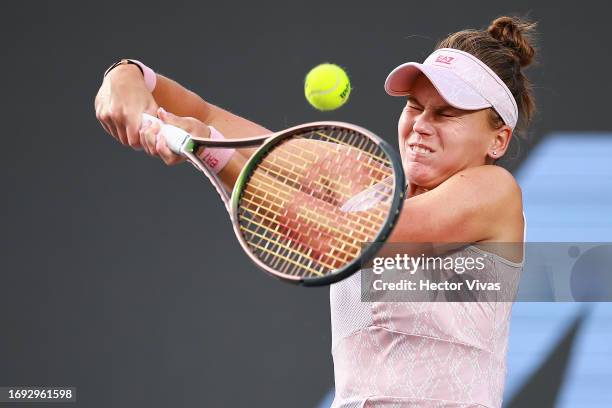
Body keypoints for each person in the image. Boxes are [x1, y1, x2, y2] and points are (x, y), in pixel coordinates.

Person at [95, 15, 537, 408]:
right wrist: (128, 77)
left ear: (497, 140)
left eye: (447, 114)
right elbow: (204, 112)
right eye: (414, 106)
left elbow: (351, 238)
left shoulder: (493, 192)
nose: (420, 125)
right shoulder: (362, 180)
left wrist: (210, 151)